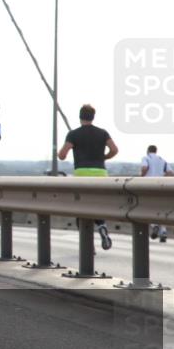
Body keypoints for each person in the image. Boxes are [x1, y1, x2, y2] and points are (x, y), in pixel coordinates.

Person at [58, 104, 118, 250]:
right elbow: (114, 150)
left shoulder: (73, 134)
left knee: (81, 209)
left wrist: (61, 152)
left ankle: (87, 245)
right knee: (97, 206)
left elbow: (62, 155)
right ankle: (102, 226)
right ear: (93, 116)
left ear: (80, 116)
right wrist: (103, 157)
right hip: (100, 174)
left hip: (81, 175)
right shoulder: (103, 133)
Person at [141, 145, 174, 241]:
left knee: (149, 208)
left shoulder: (146, 158)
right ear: (156, 151)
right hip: (161, 186)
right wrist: (162, 176)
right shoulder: (162, 160)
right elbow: (171, 173)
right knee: (161, 209)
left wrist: (141, 176)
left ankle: (154, 225)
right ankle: (163, 232)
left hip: (149, 186)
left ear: (148, 150)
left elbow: (144, 167)